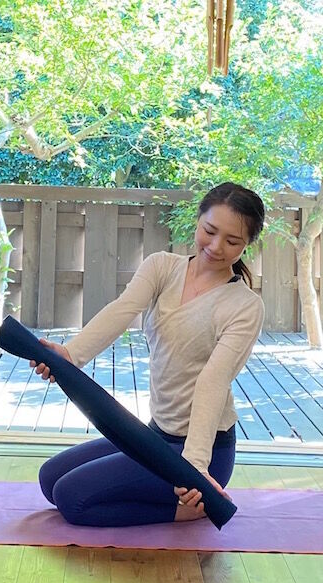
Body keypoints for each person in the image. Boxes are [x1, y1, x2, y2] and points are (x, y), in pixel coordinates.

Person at [31, 182, 265, 527]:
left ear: (247, 245)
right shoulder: (162, 267)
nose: (216, 247)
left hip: (203, 452)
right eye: (210, 231)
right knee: (50, 478)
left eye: (232, 241)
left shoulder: (244, 306)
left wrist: (195, 467)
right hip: (156, 436)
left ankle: (183, 511)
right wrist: (70, 355)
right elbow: (122, 310)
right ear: (198, 221)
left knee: (71, 498)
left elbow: (213, 382)